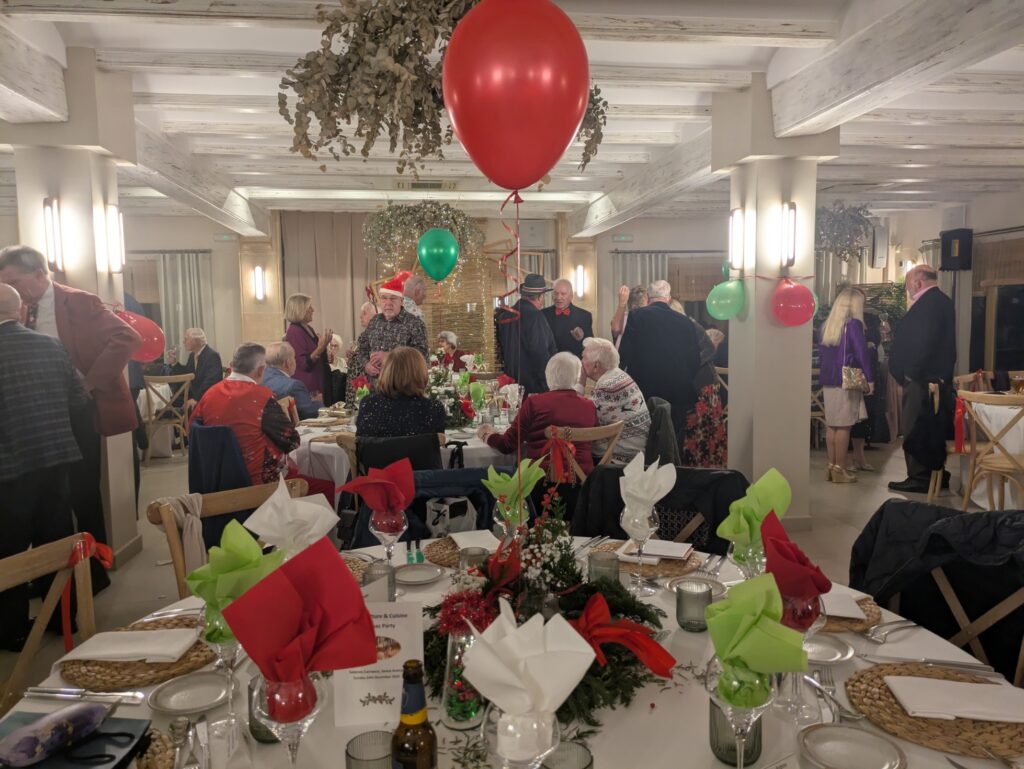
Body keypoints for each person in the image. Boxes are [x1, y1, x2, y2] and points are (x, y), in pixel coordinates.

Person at [0, 245, 141, 595]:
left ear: (39, 275)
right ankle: (49, 577)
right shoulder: (23, 308)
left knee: (82, 492)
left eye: (14, 281)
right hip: (39, 413)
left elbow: (128, 337)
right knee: (48, 502)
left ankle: (94, 572)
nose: (11, 290)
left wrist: (89, 382)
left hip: (78, 408)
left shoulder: (77, 301)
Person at [0, 284, 88, 651]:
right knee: (57, 543)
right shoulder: (52, 346)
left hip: (7, 469)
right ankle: (63, 617)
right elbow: (78, 400)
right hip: (55, 458)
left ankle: (12, 630)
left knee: (10, 552)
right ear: (21, 311)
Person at [189, 342, 300, 486]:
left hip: (214, 482)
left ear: (232, 365)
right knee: (324, 486)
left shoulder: (209, 395)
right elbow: (292, 441)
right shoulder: (262, 397)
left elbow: (192, 432)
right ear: (261, 370)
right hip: (259, 484)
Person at [888, 265, 956, 493]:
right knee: (931, 427)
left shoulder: (929, 304)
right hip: (931, 378)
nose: (908, 289)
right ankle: (935, 474)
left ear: (917, 282)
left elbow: (924, 342)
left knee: (916, 426)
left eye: (908, 284)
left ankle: (919, 476)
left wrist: (911, 372)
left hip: (921, 380)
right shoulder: (941, 301)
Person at [479, 351, 598, 476]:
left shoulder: (535, 403)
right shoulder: (589, 406)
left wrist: (487, 435)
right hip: (583, 480)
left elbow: (506, 445)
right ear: (576, 378)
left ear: (548, 375)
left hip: (540, 480)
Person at [618, 279, 702, 438]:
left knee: (647, 438)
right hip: (678, 392)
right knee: (674, 439)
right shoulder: (685, 322)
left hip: (646, 391)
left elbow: (625, 354)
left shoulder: (637, 316)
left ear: (648, 298)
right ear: (668, 298)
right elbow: (695, 360)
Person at [818, 289, 875, 484]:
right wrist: (870, 379)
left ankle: (831, 466)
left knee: (832, 425)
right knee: (844, 426)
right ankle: (840, 469)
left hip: (828, 378)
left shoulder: (827, 325)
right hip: (848, 377)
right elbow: (861, 353)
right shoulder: (853, 325)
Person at [581, 337, 651, 464]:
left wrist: (580, 383)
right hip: (636, 452)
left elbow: (577, 416)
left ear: (596, 366)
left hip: (620, 461)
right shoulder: (618, 375)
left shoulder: (607, 387)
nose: (581, 362)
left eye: (583, 358)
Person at [352, 273, 429, 386]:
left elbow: (422, 357)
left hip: (402, 388)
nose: (388, 303)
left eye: (393, 298)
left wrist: (390, 357)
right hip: (375, 388)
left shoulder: (415, 324)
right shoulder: (374, 322)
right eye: (384, 298)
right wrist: (366, 365)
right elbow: (362, 348)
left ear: (401, 301)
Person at [356, 346, 447, 438]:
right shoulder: (433, 409)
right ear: (421, 373)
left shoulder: (369, 404)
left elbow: (360, 443)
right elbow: (438, 443)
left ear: (386, 371)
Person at [495, 273, 557, 395]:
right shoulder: (535, 316)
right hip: (533, 388)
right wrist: (547, 385)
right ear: (540, 296)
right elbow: (539, 353)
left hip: (511, 384)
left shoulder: (507, 314)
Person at [679, 314, 728, 468]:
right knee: (699, 432)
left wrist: (688, 365)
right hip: (699, 385)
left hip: (703, 386)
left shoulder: (691, 325)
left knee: (704, 431)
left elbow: (709, 349)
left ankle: (705, 469)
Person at [283, 293, 332, 402]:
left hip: (317, 382)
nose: (313, 310)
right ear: (300, 309)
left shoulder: (308, 328)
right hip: (307, 387)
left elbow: (316, 353)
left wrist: (324, 351)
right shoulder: (294, 332)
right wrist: (321, 347)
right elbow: (303, 364)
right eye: (309, 307)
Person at [262, 341, 324, 420]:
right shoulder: (294, 386)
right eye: (294, 358)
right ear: (288, 363)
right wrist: (319, 402)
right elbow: (310, 413)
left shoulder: (258, 380)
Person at [168, 327, 223, 408]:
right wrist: (174, 363)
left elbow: (211, 382)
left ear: (196, 341)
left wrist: (196, 399)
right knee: (167, 400)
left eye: (186, 339)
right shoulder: (192, 355)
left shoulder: (212, 356)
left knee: (169, 405)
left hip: (206, 398)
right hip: (194, 395)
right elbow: (187, 374)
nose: (183, 342)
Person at [542, 278, 593, 358]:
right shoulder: (543, 314)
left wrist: (581, 339)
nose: (558, 297)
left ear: (571, 296)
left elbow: (590, 346)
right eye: (556, 293)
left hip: (575, 362)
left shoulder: (584, 316)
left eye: (563, 294)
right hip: (550, 362)